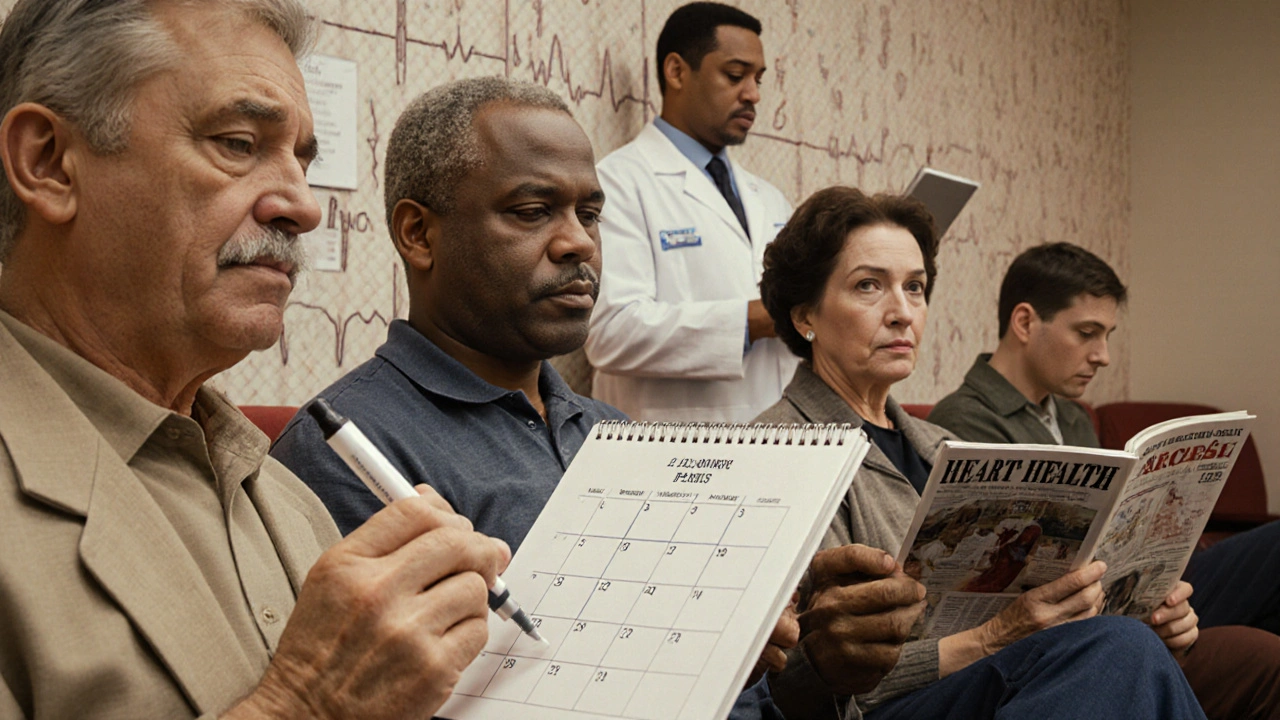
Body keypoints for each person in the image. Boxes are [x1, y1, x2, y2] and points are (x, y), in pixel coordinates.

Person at [271, 77, 928, 720]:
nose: (580, 243)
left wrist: (814, 662)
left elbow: (724, 697)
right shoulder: (345, 452)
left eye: (590, 215)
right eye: (532, 211)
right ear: (419, 234)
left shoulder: (617, 436)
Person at [0, 2, 511, 718]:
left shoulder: (283, 497)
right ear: (49, 163)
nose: (304, 206)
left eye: (302, 159)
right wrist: (305, 703)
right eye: (238, 144)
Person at [754, 186, 1207, 720]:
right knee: (1120, 650)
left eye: (915, 287)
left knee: (1134, 645)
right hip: (890, 708)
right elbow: (800, 683)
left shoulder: (945, 444)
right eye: (868, 286)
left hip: (1003, 682)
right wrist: (995, 637)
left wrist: (1142, 609)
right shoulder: (780, 450)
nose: (903, 312)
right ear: (805, 315)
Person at [928, 241, 1280, 719]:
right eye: (1087, 333)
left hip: (1118, 594)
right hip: (1066, 624)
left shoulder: (1073, 417)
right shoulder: (961, 421)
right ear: (1025, 323)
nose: (1104, 356)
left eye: (1108, 335)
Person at [584, 1, 798, 422]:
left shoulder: (770, 200)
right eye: (735, 75)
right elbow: (608, 332)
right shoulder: (618, 183)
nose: (753, 94)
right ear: (677, 72)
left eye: (757, 79)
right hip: (669, 444)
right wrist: (753, 320)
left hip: (780, 435)